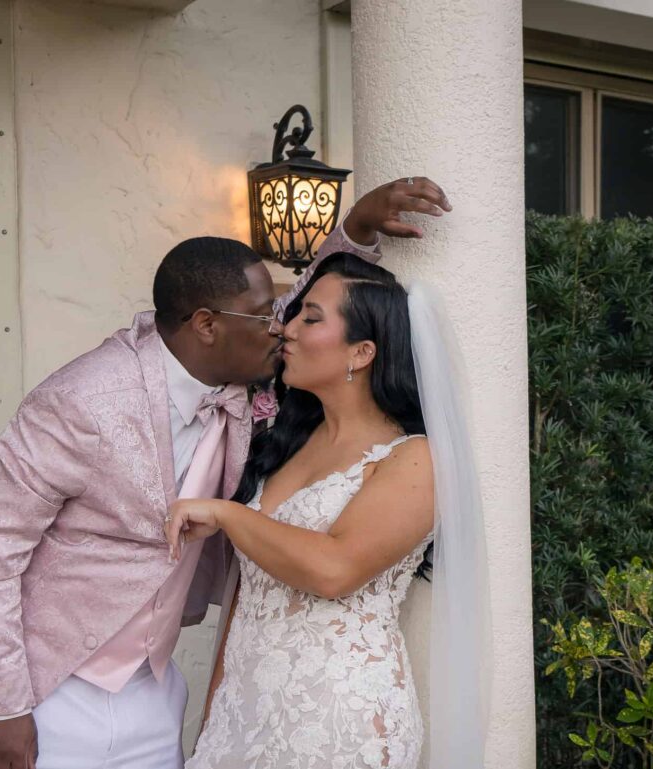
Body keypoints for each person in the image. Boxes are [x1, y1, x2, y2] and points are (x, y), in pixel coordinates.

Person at [0, 178, 454, 769]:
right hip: (48, 688)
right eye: (267, 315)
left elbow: (328, 323)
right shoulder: (81, 400)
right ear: (207, 325)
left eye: (287, 315)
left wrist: (355, 229)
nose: (281, 327)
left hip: (156, 695)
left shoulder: (254, 381)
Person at [166, 253, 491, 768]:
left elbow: (334, 569)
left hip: (338, 718)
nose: (287, 329)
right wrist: (213, 720)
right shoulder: (283, 444)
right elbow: (250, 596)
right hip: (243, 713)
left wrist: (228, 515)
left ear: (361, 352)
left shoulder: (414, 459)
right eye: (294, 314)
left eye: (310, 318)